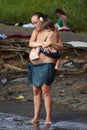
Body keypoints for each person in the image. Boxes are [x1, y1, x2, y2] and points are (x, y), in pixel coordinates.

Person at [27, 12, 63, 125]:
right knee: (36, 90)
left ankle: (48, 118)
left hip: (48, 64)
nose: (34, 25)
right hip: (36, 65)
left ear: (41, 20)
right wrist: (42, 43)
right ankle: (36, 117)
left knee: (45, 90)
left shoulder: (53, 30)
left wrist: (51, 44)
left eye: (35, 22)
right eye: (32, 23)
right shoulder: (35, 31)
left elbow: (61, 47)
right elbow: (31, 43)